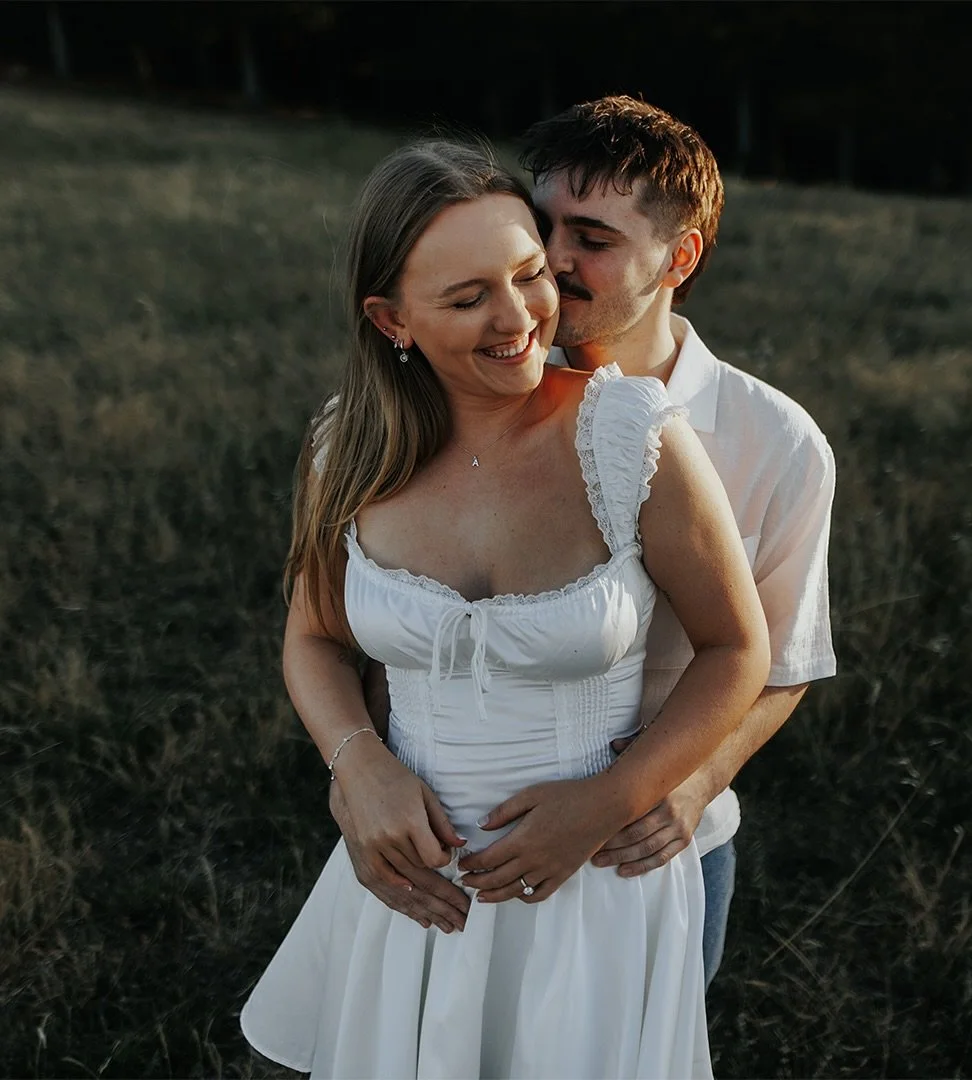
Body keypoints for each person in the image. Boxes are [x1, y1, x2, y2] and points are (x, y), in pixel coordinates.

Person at [240, 138, 770, 1078]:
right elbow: (315, 639)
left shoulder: (628, 432)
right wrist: (357, 763)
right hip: (412, 877)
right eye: (467, 296)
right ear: (390, 318)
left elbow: (738, 650)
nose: (522, 315)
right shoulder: (347, 449)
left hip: (593, 883)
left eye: (529, 274)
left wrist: (612, 799)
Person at [337, 97, 838, 988]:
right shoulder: (473, 387)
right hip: (440, 835)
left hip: (647, 844)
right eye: (545, 227)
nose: (552, 265)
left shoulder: (774, 442)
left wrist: (672, 788)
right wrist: (356, 769)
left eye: (594, 240)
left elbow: (778, 658)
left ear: (679, 257)